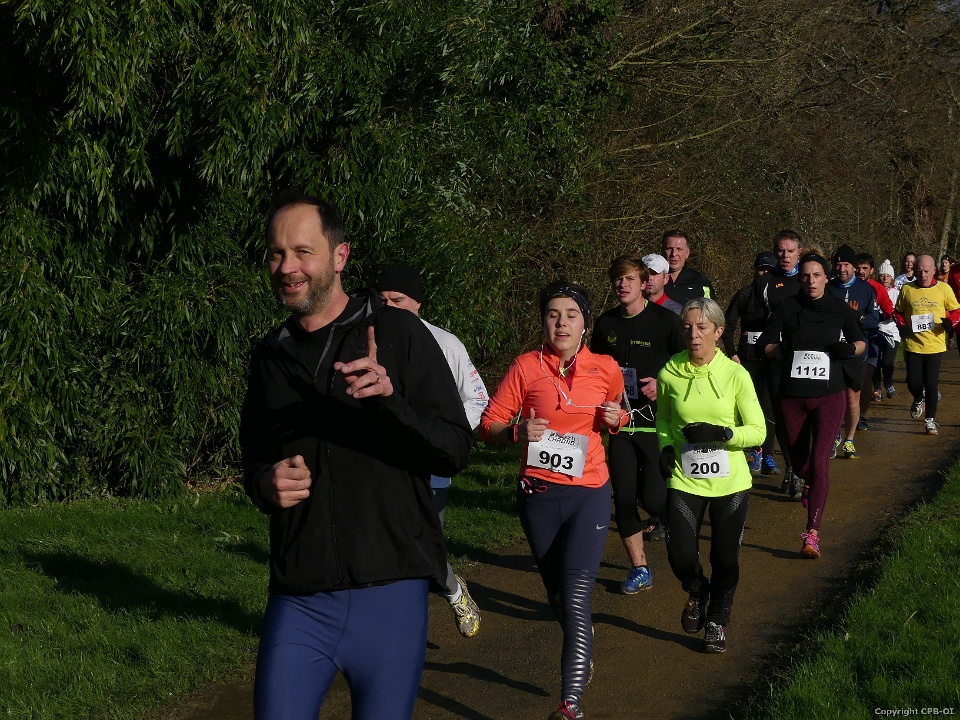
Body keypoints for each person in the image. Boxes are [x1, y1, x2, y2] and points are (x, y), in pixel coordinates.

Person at [240, 192, 473, 720]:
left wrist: (391, 402)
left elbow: (454, 449)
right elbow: (253, 458)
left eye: (303, 252)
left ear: (339, 256)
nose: (288, 267)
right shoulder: (270, 355)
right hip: (299, 594)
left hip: (389, 590)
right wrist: (264, 483)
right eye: (276, 254)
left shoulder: (398, 332)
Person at [480, 282, 626, 720]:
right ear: (543, 321)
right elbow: (488, 425)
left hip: (589, 493)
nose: (561, 323)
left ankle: (570, 704)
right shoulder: (525, 367)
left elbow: (619, 411)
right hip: (539, 496)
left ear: (585, 324)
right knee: (558, 595)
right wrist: (517, 432)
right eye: (552, 314)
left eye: (571, 315)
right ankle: (582, 648)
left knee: (577, 595)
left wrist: (616, 419)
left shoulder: (605, 367)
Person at [375, 264, 488, 638]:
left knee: (424, 544)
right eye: (383, 301)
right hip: (382, 462)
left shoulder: (445, 343)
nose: (389, 307)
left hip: (431, 463)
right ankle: (393, 631)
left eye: (398, 300)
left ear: (417, 303)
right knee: (383, 542)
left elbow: (478, 399)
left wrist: (443, 436)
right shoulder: (365, 339)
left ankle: (454, 592)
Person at [656, 298, 765, 654]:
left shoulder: (735, 375)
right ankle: (697, 590)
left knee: (725, 557)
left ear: (718, 332)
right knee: (680, 554)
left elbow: (758, 431)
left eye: (702, 328)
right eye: (688, 327)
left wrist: (723, 434)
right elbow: (664, 419)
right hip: (685, 477)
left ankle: (717, 620)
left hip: (730, 481)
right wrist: (665, 446)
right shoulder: (670, 371)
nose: (693, 335)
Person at [759, 253, 866, 560]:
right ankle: (810, 483)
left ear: (826, 278)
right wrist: (782, 348)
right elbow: (764, 346)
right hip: (793, 396)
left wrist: (848, 349)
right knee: (799, 463)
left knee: (820, 463)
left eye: (817, 275)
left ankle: (812, 533)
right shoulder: (786, 307)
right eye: (805, 275)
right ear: (800, 278)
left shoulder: (839, 308)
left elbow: (861, 344)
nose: (811, 281)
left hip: (829, 395)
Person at [591, 255, 684, 594]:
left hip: (657, 425)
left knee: (653, 499)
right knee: (625, 499)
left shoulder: (666, 321)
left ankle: (679, 519)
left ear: (644, 284)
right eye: (618, 279)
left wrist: (663, 383)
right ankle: (640, 568)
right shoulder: (606, 324)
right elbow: (594, 368)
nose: (622, 285)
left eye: (629, 279)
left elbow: (688, 364)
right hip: (621, 425)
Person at [748, 229, 803, 496]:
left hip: (804, 358)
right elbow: (755, 318)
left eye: (790, 251)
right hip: (777, 358)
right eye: (780, 251)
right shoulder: (764, 282)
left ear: (799, 253)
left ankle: (801, 467)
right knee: (781, 414)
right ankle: (792, 465)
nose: (785, 256)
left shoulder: (808, 278)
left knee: (802, 414)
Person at [724, 251, 781, 477]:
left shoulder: (780, 296)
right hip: (746, 359)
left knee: (768, 406)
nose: (764, 274)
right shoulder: (744, 294)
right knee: (746, 406)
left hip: (770, 360)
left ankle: (768, 454)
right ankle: (752, 450)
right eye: (761, 269)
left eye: (769, 270)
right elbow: (727, 326)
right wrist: (732, 355)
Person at [894, 254, 960, 435]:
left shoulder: (943, 289)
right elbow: (897, 312)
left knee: (931, 383)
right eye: (919, 271)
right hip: (913, 344)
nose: (923, 275)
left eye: (926, 271)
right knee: (913, 382)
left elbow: (956, 310)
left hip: (935, 345)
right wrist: (902, 326)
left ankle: (930, 420)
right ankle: (918, 398)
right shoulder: (907, 289)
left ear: (934, 271)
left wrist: (951, 323)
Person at [826, 244, 880, 459]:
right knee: (832, 398)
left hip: (856, 352)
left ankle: (849, 440)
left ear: (854, 267)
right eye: (838, 265)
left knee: (852, 399)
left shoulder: (866, 289)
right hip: (831, 351)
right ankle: (835, 435)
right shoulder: (828, 287)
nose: (842, 269)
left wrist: (857, 317)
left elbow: (874, 321)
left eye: (846, 265)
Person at [661, 230, 717, 307]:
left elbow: (711, 311)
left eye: (679, 249)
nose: (673, 254)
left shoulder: (700, 280)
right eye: (669, 248)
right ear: (662, 251)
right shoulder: (651, 279)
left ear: (687, 253)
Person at [874, 259, 901, 400]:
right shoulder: (872, 290)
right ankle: (876, 388)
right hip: (875, 331)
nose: (885, 278)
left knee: (887, 362)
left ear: (892, 278)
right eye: (882, 275)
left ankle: (889, 383)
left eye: (888, 275)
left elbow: (900, 312)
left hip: (892, 332)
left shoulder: (897, 293)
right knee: (875, 361)